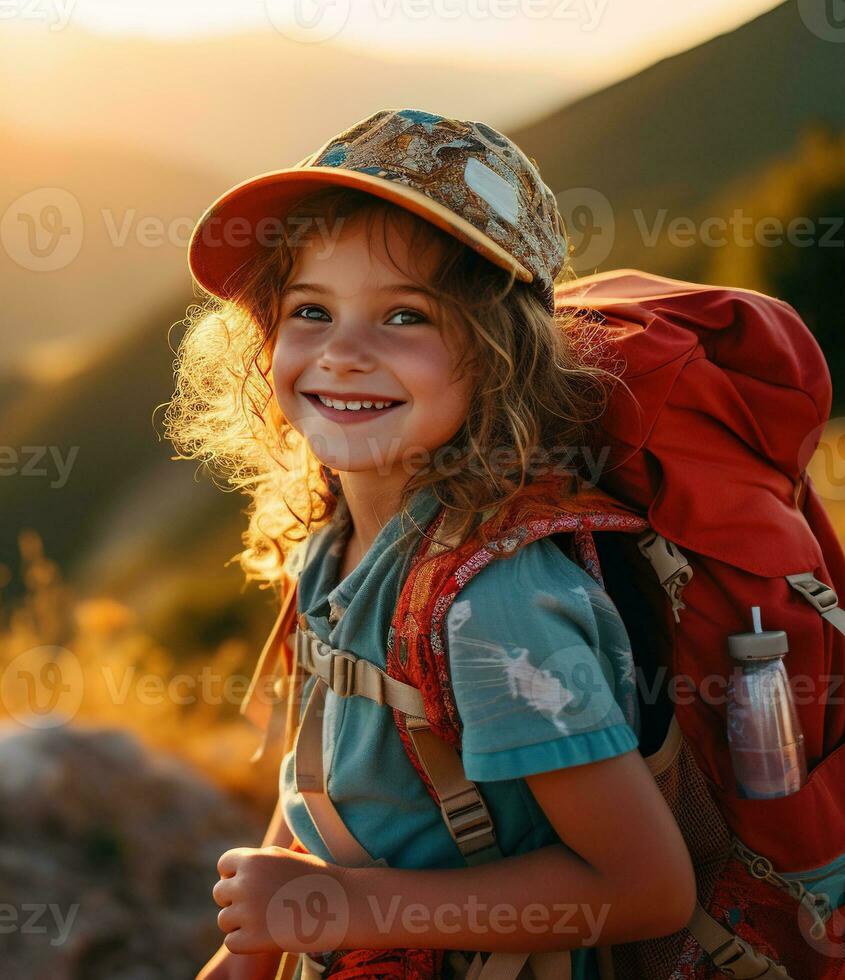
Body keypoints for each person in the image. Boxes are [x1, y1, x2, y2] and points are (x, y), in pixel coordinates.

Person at [167, 109, 696, 980]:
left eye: (405, 315)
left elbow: (643, 885)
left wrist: (344, 907)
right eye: (310, 310)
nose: (341, 353)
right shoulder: (338, 542)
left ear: (498, 356)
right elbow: (323, 783)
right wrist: (250, 952)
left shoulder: (494, 606)